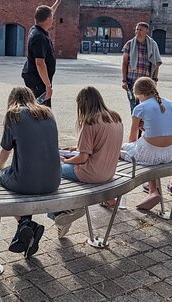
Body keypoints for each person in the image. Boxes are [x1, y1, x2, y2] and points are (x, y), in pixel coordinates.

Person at [0, 87, 61, 258]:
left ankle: (25, 223)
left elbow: (5, 150)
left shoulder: (13, 115)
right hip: (54, 180)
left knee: (0, 182)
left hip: (26, 182)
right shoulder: (47, 113)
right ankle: (25, 228)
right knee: (21, 176)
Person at [49, 86, 123, 238]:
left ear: (82, 104)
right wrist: (77, 148)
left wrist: (64, 159)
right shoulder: (115, 118)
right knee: (64, 168)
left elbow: (82, 159)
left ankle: (60, 213)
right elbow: (101, 146)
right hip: (109, 172)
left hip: (91, 173)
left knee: (51, 170)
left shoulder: (90, 122)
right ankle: (66, 212)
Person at [119, 77, 172, 210]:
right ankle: (153, 190)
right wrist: (145, 130)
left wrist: (141, 134)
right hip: (168, 153)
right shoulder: (171, 104)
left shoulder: (140, 108)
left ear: (140, 94)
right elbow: (165, 130)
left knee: (121, 150)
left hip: (149, 154)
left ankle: (116, 196)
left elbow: (132, 138)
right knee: (149, 153)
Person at [21, 0, 62, 107]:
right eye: (52, 18)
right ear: (48, 19)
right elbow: (40, 63)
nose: (53, 20)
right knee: (40, 109)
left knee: (37, 107)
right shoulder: (39, 37)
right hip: (38, 80)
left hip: (37, 78)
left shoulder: (35, 29)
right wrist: (47, 86)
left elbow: (48, 13)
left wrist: (56, 3)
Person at [121, 22, 163, 111]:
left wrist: (155, 80)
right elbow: (124, 63)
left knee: (147, 106)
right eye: (137, 29)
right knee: (134, 107)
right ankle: (136, 124)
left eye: (141, 30)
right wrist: (124, 81)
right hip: (132, 81)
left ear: (146, 31)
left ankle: (144, 125)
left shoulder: (152, 45)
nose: (138, 32)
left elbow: (156, 63)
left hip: (146, 82)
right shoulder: (129, 44)